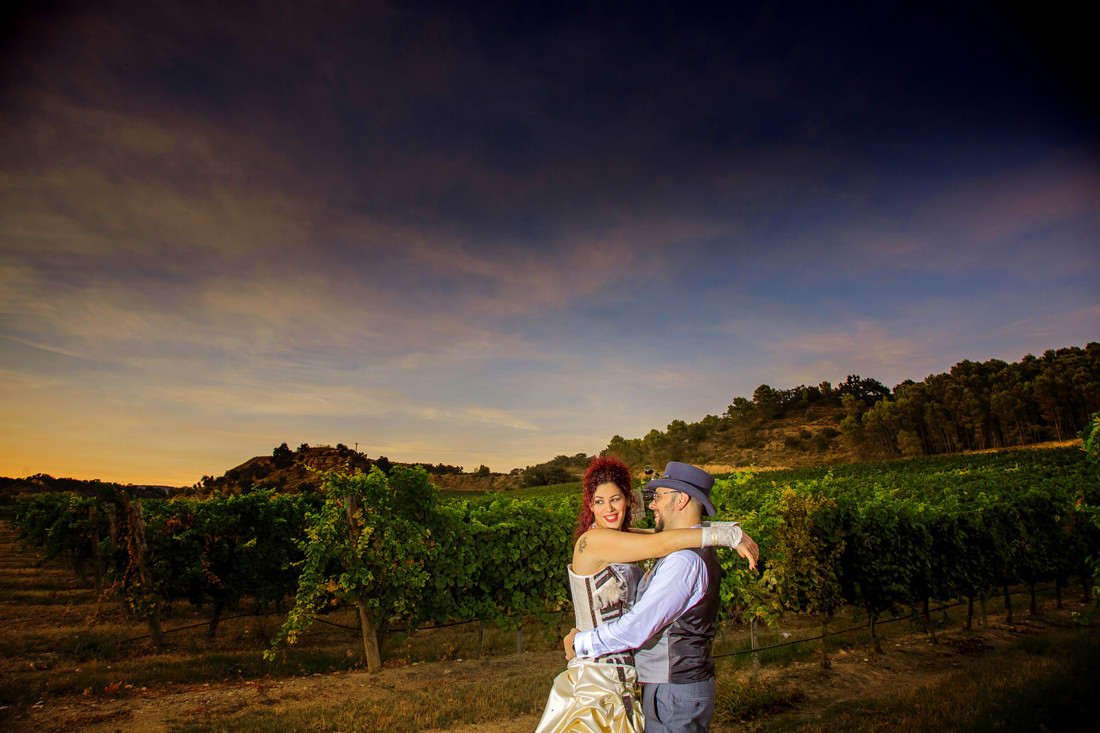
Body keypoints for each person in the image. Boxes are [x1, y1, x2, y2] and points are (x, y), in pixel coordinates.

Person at [535, 457, 750, 733]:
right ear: (590, 506)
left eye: (616, 499)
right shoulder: (592, 542)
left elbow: (670, 534)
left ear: (628, 500)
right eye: (599, 501)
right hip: (597, 672)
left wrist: (725, 530)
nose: (609, 508)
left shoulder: (624, 539)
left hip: (626, 676)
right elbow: (661, 541)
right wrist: (728, 535)